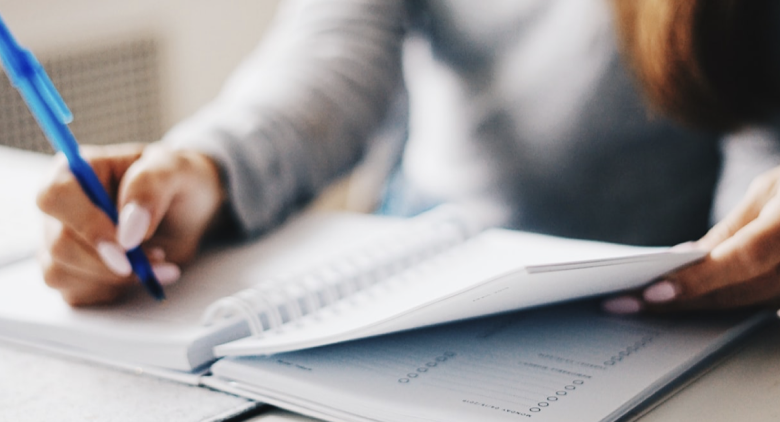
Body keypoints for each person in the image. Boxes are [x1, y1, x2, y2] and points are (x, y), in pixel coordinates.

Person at [35, 0, 780, 312]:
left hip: (642, 308)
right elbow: (329, 60)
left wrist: (748, 254)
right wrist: (203, 170)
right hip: (413, 280)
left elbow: (761, 122)